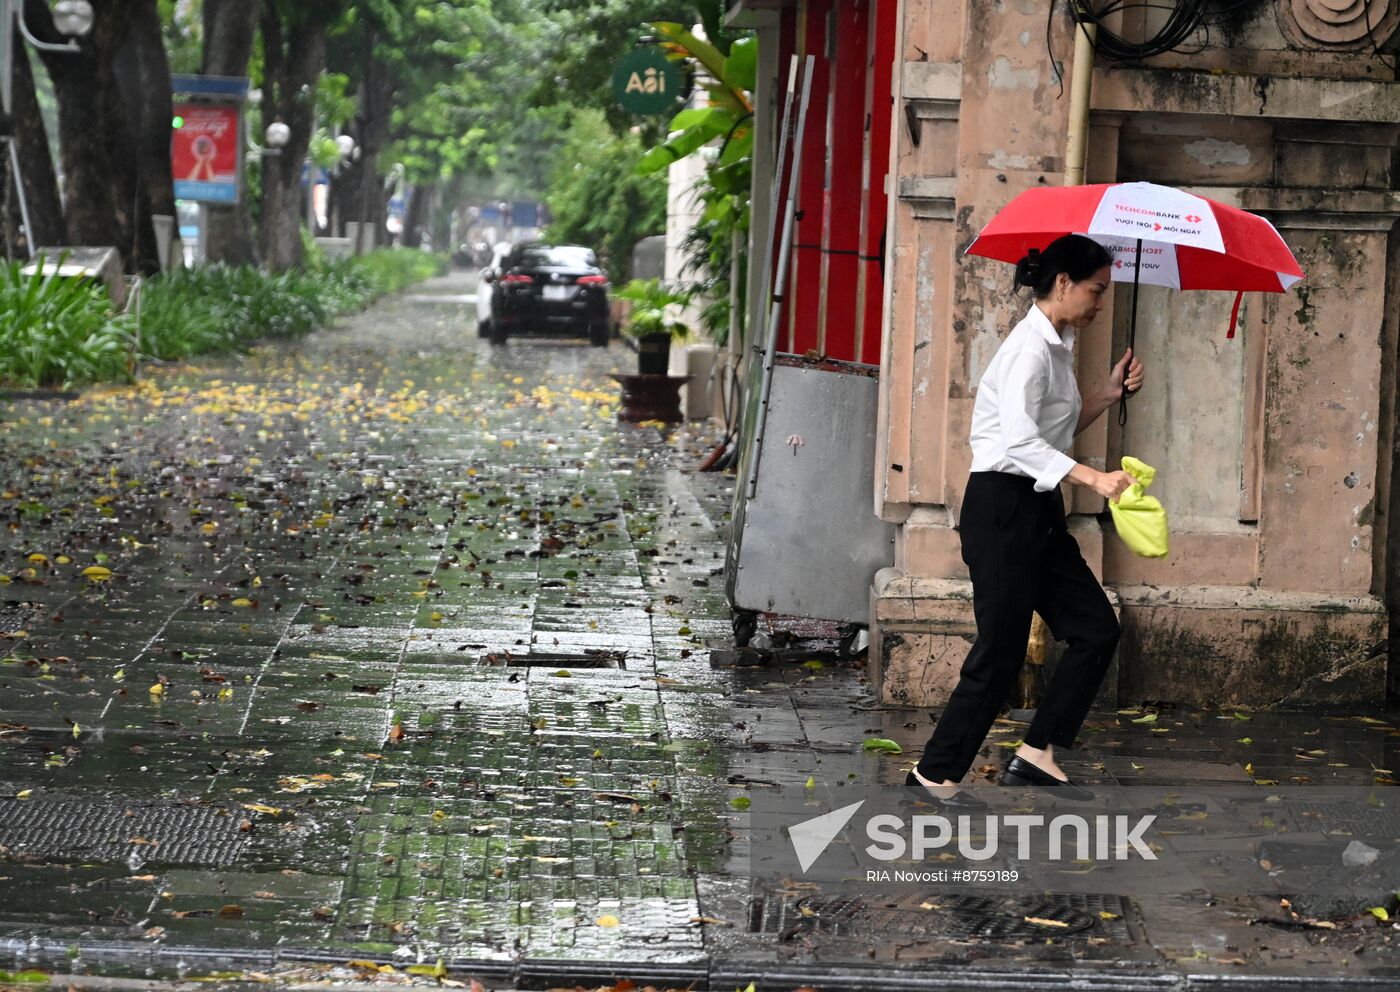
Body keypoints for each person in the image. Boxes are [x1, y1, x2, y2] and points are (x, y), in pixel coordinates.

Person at [909, 233, 1145, 805]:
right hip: (1002, 509)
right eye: (1095, 290)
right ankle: (934, 777)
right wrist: (1094, 479)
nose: (1099, 303)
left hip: (1036, 508)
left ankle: (1039, 753)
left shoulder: (1056, 345)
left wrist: (1107, 396)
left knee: (1095, 628)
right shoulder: (1027, 351)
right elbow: (1016, 444)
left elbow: (1048, 435)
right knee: (1001, 651)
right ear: (1062, 282)